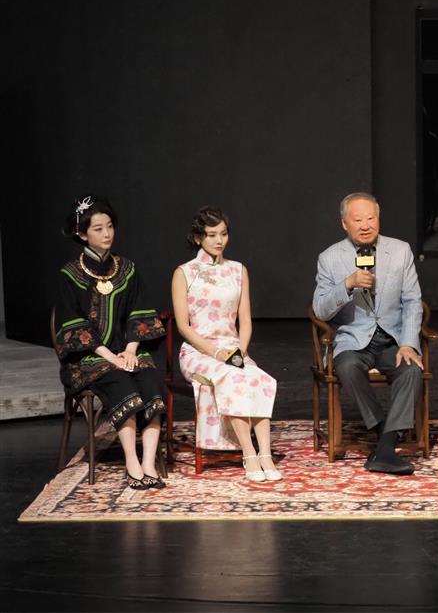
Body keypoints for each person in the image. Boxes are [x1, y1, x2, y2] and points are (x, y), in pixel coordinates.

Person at [54, 195, 168, 490]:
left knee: (152, 384)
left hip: (125, 350)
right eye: (98, 229)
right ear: (82, 234)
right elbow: (74, 326)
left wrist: (130, 349)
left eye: (109, 227)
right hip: (88, 358)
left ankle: (148, 461)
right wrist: (110, 357)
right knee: (122, 384)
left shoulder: (127, 269)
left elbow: (139, 313)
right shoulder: (71, 275)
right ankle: (132, 460)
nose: (106, 234)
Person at [313, 192, 424, 475]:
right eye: (358, 219)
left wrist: (409, 343)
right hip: (353, 338)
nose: (365, 225)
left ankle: (384, 447)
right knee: (347, 367)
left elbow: (412, 301)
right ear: (344, 224)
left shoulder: (400, 251)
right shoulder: (329, 258)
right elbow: (321, 309)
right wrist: (347, 284)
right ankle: (383, 432)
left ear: (378, 219)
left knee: (410, 369)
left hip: (391, 337)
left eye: (370, 218)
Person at [170, 207, 280, 482]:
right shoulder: (185, 273)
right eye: (211, 235)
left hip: (232, 347)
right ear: (198, 238)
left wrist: (240, 350)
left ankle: (265, 453)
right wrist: (216, 352)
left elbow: (245, 320)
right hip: (199, 350)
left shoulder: (237, 270)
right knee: (232, 376)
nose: (219, 240)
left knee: (258, 377)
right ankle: (249, 453)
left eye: (223, 234)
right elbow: (183, 326)